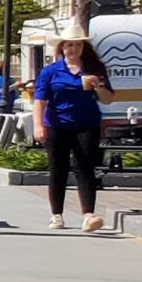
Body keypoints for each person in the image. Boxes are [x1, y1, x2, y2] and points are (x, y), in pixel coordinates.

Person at [31, 28, 114, 231]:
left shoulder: (94, 69)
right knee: (58, 169)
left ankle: (88, 215)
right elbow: (40, 100)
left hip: (87, 124)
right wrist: (38, 125)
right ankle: (56, 214)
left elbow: (109, 99)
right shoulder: (51, 72)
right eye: (69, 44)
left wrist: (98, 86)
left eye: (77, 44)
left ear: (83, 47)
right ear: (62, 47)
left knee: (85, 168)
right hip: (57, 125)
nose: (73, 49)